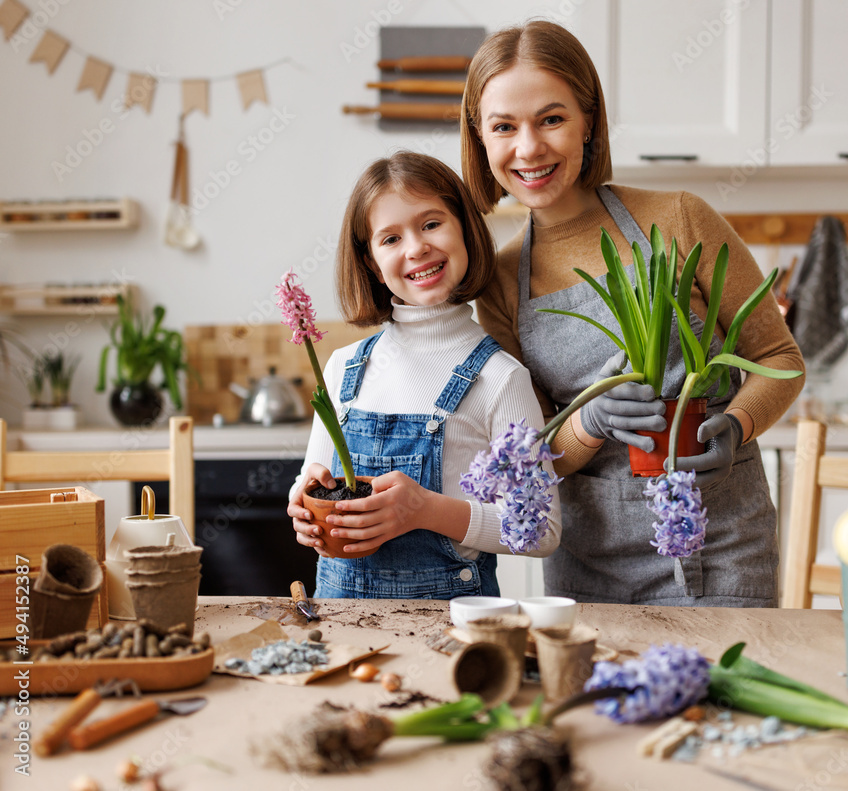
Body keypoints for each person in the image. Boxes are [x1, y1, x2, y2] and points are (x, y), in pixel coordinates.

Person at [460, 20, 804, 607]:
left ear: (588, 121)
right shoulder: (496, 279)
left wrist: (737, 424)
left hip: (722, 545)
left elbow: (780, 358)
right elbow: (538, 452)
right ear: (482, 138)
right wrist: (589, 423)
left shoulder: (678, 219)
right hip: (589, 568)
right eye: (504, 127)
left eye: (551, 118)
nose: (529, 148)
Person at [287, 151, 561, 599]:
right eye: (390, 238)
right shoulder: (341, 368)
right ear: (373, 263)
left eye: (431, 224)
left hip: (453, 637)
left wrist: (424, 510)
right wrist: (304, 506)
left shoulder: (501, 378)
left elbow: (541, 530)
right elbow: (309, 481)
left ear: (466, 231)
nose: (416, 248)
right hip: (343, 633)